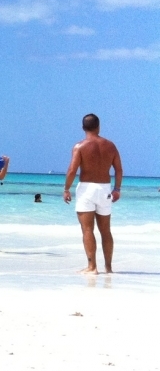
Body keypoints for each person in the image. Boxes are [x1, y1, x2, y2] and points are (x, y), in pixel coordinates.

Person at [64, 113, 122, 274]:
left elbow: (72, 170)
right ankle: (108, 267)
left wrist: (66, 189)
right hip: (104, 189)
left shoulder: (80, 146)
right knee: (106, 230)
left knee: (87, 230)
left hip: (86, 189)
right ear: (99, 126)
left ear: (83, 128)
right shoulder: (110, 146)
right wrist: (117, 189)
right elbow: (118, 169)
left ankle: (92, 267)